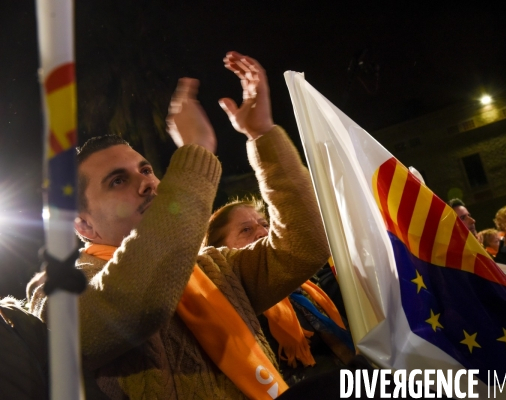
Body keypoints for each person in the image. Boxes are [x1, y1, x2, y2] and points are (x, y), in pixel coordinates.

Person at [28, 52, 330, 399]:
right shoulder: (59, 289)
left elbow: (305, 245)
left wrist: (262, 135)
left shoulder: (214, 267)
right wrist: (197, 151)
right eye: (116, 181)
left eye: (145, 170)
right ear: (84, 226)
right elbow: (142, 303)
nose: (147, 183)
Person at [203, 197, 354, 386]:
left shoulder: (309, 286)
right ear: (219, 253)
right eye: (246, 230)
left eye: (265, 224)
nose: (263, 233)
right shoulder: (233, 310)